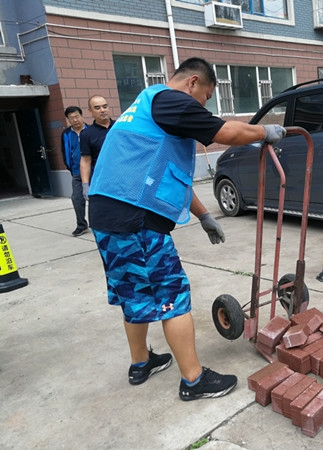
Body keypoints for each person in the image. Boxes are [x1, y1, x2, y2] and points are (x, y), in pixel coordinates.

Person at [87, 57, 286, 400]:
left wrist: (204, 215)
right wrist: (265, 131)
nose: (203, 107)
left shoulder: (147, 104)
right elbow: (225, 132)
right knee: (172, 295)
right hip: (135, 219)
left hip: (108, 214)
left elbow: (166, 174)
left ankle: (141, 362)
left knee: (133, 292)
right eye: (206, 97)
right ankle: (194, 381)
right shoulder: (172, 101)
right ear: (193, 83)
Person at [80, 95, 115, 199]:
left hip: (125, 179)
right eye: (97, 108)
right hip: (102, 183)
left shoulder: (121, 127)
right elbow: (85, 160)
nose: (102, 110)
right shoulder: (87, 134)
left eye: (105, 106)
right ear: (90, 111)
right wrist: (85, 185)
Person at [60, 106, 89, 236]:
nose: (75, 120)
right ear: (68, 119)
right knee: (77, 199)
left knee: (97, 199)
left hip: (93, 171)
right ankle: (82, 225)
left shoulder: (90, 130)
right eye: (71, 118)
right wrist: (69, 166)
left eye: (77, 116)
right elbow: (64, 151)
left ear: (82, 116)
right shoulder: (66, 134)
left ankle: (100, 223)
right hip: (77, 172)